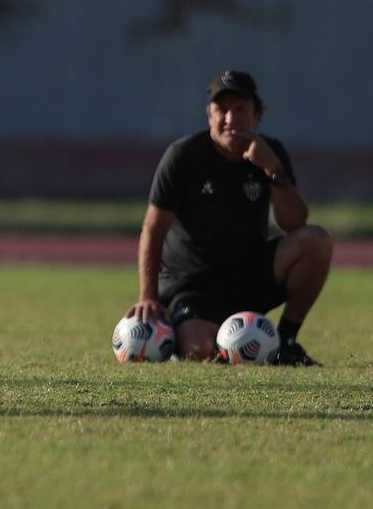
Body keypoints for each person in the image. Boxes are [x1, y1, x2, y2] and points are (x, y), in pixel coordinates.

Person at [128, 70, 332, 365]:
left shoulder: (269, 153)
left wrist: (273, 169)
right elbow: (153, 229)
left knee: (317, 241)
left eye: (240, 109)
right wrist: (148, 295)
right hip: (192, 286)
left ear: (256, 115)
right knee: (201, 349)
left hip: (246, 279)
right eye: (221, 110)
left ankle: (286, 341)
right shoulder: (184, 156)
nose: (230, 118)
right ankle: (185, 335)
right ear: (208, 114)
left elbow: (294, 222)